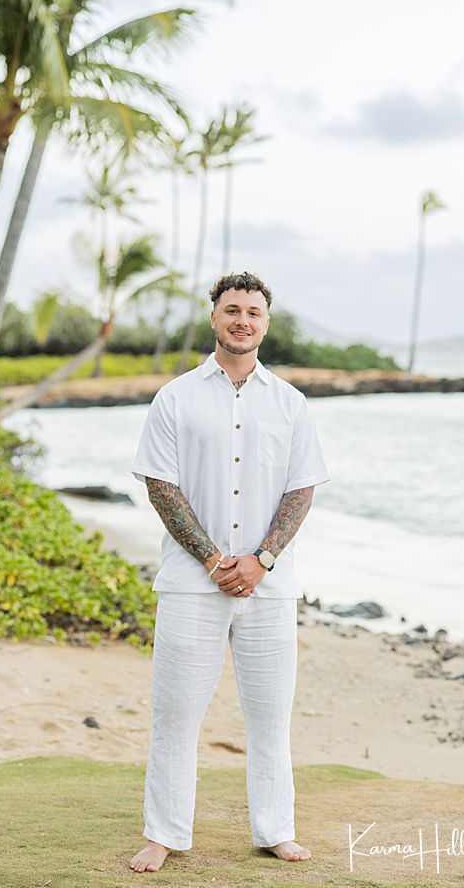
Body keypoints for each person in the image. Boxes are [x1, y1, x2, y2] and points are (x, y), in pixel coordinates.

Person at [127, 271, 329, 873]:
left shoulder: (290, 403)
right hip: (192, 586)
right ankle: (163, 834)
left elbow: (301, 489)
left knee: (270, 716)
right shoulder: (176, 397)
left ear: (267, 323)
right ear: (213, 317)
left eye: (254, 312)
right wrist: (215, 559)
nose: (243, 320)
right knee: (175, 714)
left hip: (270, 587)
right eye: (232, 309)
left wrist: (262, 559)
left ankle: (276, 830)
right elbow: (161, 486)